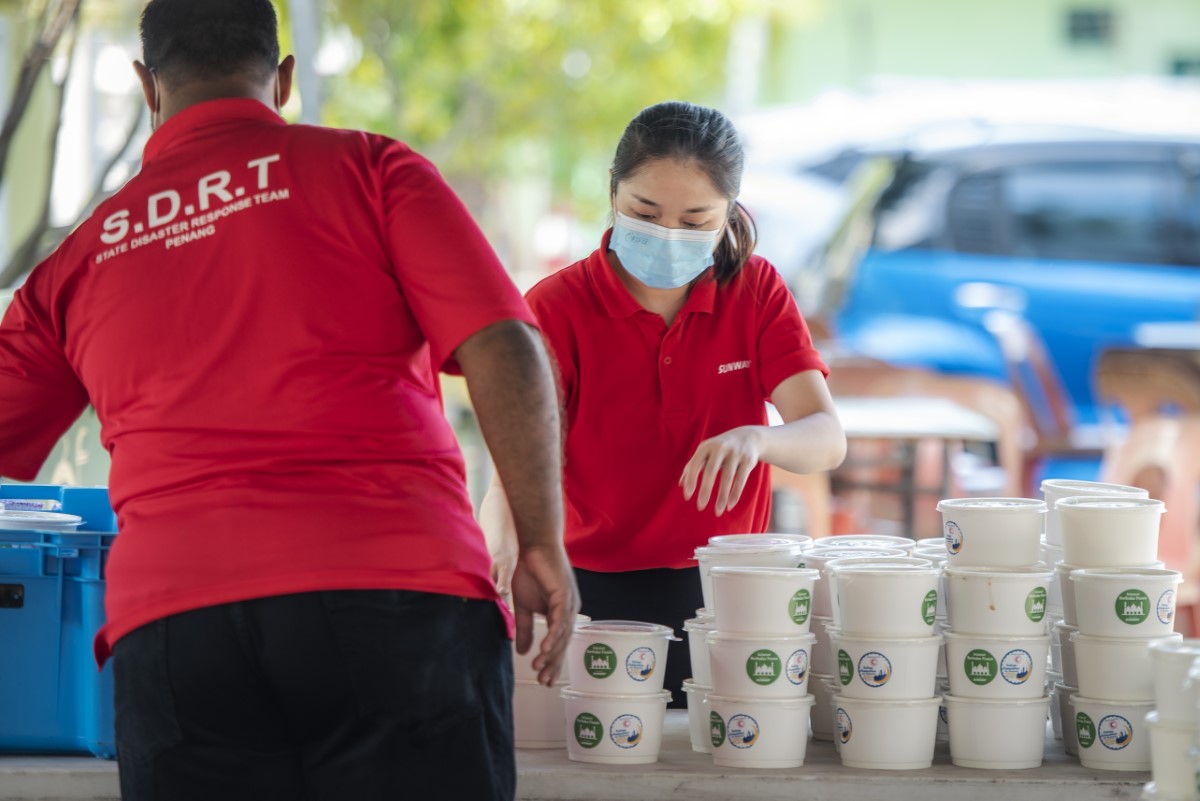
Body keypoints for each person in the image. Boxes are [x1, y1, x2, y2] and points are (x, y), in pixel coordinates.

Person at [0, 1, 578, 799]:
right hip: (394, 595)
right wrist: (541, 539)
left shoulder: (77, 261)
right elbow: (506, 343)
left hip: (176, 627)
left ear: (146, 86)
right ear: (283, 78)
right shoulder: (371, 169)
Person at [481, 101, 846, 708]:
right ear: (612, 192)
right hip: (590, 591)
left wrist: (758, 439)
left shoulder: (755, 292)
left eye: (696, 219)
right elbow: (511, 468)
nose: (668, 235)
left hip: (730, 589)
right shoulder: (555, 307)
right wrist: (502, 543)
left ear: (730, 211)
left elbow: (825, 438)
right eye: (645, 214)